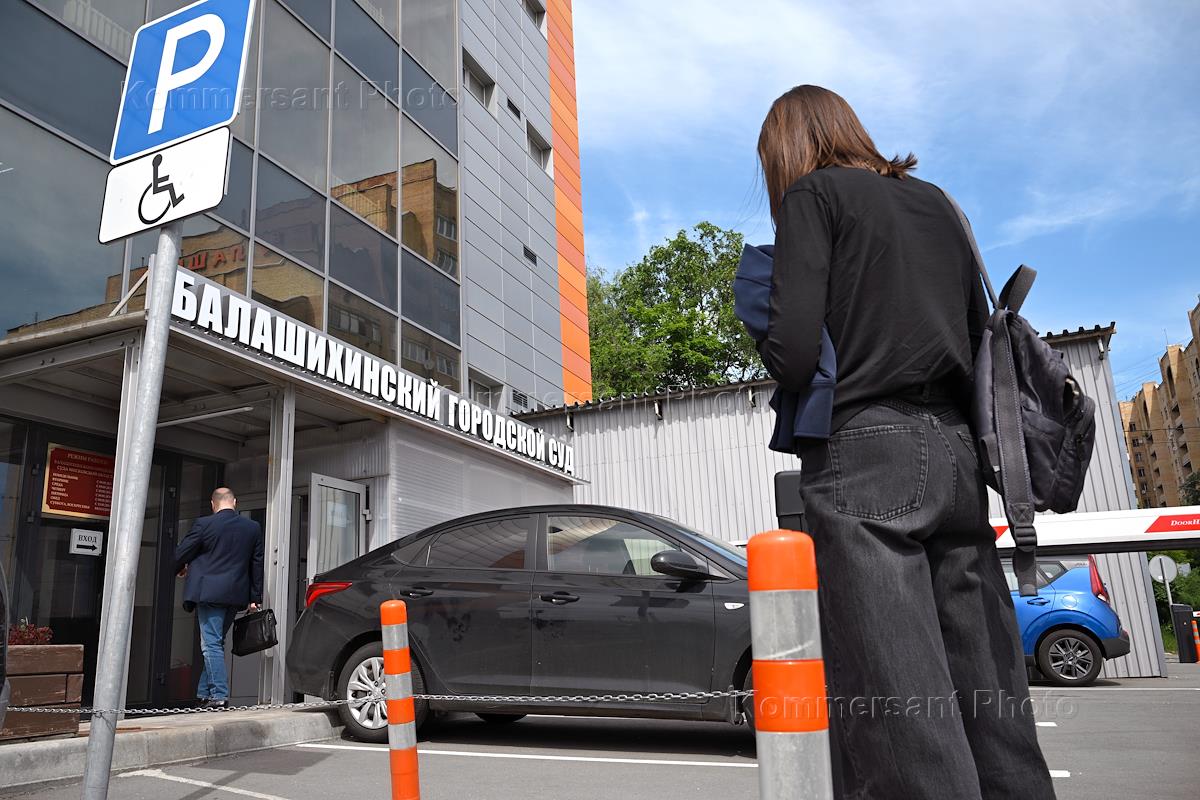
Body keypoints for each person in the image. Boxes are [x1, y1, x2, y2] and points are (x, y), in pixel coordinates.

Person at [754, 85, 1056, 800]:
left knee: (896, 704)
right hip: (957, 455)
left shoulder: (812, 199)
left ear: (788, 151)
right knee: (989, 694)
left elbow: (795, 355)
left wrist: (763, 324)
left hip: (865, 455)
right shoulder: (939, 204)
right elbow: (977, 333)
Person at [174, 487, 264, 708]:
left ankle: (219, 695)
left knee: (210, 645)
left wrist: (181, 567)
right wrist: (255, 596)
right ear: (235, 502)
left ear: (213, 504)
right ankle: (204, 693)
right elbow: (257, 563)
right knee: (216, 642)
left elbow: (182, 552)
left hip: (210, 593)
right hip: (236, 595)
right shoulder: (252, 527)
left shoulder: (205, 524)